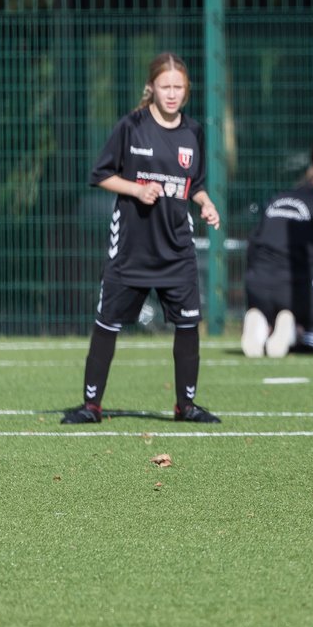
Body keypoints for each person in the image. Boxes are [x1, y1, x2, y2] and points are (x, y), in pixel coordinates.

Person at [63, 53, 222, 425]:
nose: (171, 94)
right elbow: (100, 175)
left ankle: (186, 406)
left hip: (176, 248)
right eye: (165, 87)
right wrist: (137, 189)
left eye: (178, 88)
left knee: (187, 326)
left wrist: (206, 202)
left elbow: (193, 184)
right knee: (107, 324)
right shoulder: (130, 126)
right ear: (151, 87)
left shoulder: (193, 131)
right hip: (132, 248)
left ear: (187, 90)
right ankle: (91, 406)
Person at [242, 147, 313, 358]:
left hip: (256, 283)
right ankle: (294, 334)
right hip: (296, 285)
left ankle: (264, 325)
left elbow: (252, 245)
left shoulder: (277, 199)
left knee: (277, 312)